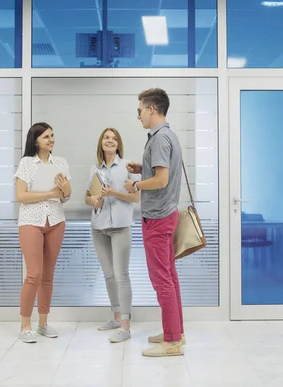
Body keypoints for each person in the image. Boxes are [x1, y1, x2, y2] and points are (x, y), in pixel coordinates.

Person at [124, 88, 185, 357]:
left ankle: (172, 342)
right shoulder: (167, 136)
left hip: (158, 218)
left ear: (151, 109)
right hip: (165, 213)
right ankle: (175, 331)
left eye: (139, 110)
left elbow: (161, 181)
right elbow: (160, 174)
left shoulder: (160, 139)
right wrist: (143, 169)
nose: (138, 115)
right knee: (169, 277)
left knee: (162, 279)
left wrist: (136, 183)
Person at [14, 122, 71, 343]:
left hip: (56, 220)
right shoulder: (27, 163)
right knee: (34, 274)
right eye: (46, 136)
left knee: (47, 275)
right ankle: (25, 325)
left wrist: (65, 191)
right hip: (31, 222)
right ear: (35, 140)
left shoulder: (61, 163)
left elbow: (66, 195)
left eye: (52, 135)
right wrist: (50, 193)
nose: (51, 139)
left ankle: (43, 324)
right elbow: (21, 196)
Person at [85, 128, 140, 343]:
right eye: (106, 138)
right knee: (108, 274)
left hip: (120, 226)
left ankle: (125, 326)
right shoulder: (94, 169)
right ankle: (116, 317)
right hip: (98, 227)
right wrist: (95, 201)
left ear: (118, 144)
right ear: (101, 143)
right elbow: (87, 198)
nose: (110, 141)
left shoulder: (127, 167)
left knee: (121, 274)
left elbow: (136, 198)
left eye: (114, 138)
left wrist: (113, 193)